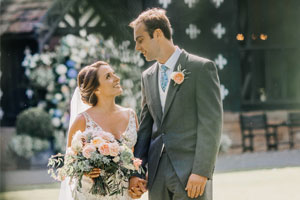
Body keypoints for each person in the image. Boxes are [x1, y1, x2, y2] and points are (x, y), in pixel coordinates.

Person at [128, 8, 223, 200]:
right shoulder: (147, 77)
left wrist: (201, 171)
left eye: (140, 40)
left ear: (158, 34)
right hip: (156, 175)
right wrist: (137, 172)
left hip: (190, 173)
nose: (137, 48)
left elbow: (210, 124)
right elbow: (146, 128)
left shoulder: (200, 68)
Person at [59, 61, 143, 200]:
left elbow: (137, 155)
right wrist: (85, 170)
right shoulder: (82, 120)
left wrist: (137, 179)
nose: (117, 78)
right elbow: (69, 161)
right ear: (96, 89)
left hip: (122, 193)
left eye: (114, 74)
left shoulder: (131, 115)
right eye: (108, 76)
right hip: (90, 194)